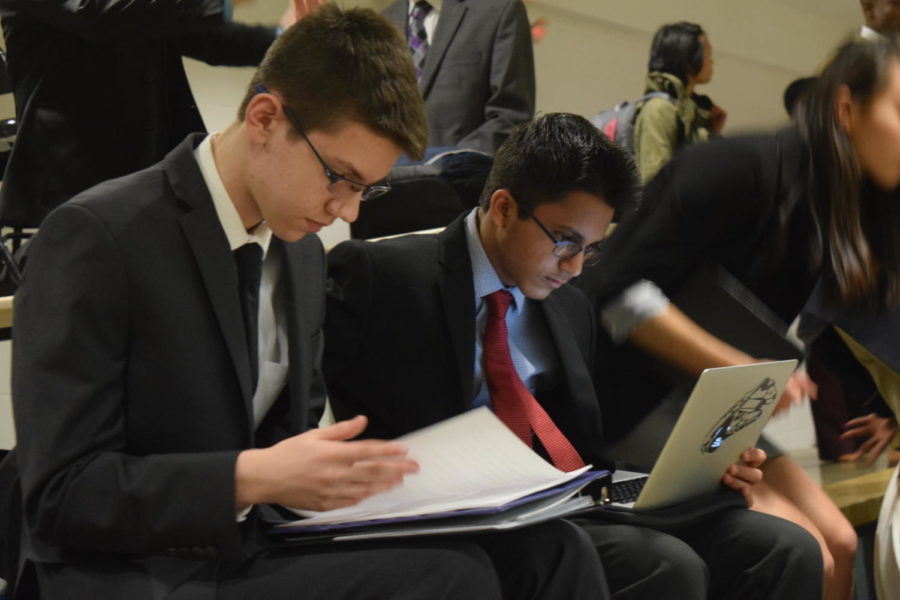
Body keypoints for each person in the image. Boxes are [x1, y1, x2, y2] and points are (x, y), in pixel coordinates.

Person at [9, 7, 609, 599]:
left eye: (365, 188)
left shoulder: (300, 255)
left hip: (254, 545)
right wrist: (250, 477)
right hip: (138, 570)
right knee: (453, 578)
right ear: (265, 118)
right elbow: (62, 492)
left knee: (548, 553)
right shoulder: (101, 234)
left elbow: (288, 444)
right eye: (338, 178)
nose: (347, 211)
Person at [324, 112, 824, 600]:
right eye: (565, 242)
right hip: (456, 517)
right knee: (665, 565)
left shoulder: (568, 303)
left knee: (783, 547)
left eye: (591, 247)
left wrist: (704, 471)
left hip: (566, 502)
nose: (576, 265)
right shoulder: (382, 277)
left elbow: (586, 450)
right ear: (503, 208)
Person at [577, 38, 900, 600]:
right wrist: (742, 368)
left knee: (843, 544)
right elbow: (618, 293)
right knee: (811, 552)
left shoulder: (843, 211)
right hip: (629, 400)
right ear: (847, 110)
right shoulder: (736, 167)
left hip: (715, 405)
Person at [0, 0, 317, 229]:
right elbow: (98, 15)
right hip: (73, 179)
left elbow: (202, 37)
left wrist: (283, 40)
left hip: (153, 171)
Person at [382, 0, 535, 154]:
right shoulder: (383, 20)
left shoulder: (500, 10)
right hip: (384, 174)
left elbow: (511, 115)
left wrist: (451, 161)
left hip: (465, 174)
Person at [633, 21, 724, 183]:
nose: (712, 61)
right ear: (688, 57)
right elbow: (655, 183)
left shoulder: (697, 112)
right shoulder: (659, 109)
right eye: (708, 53)